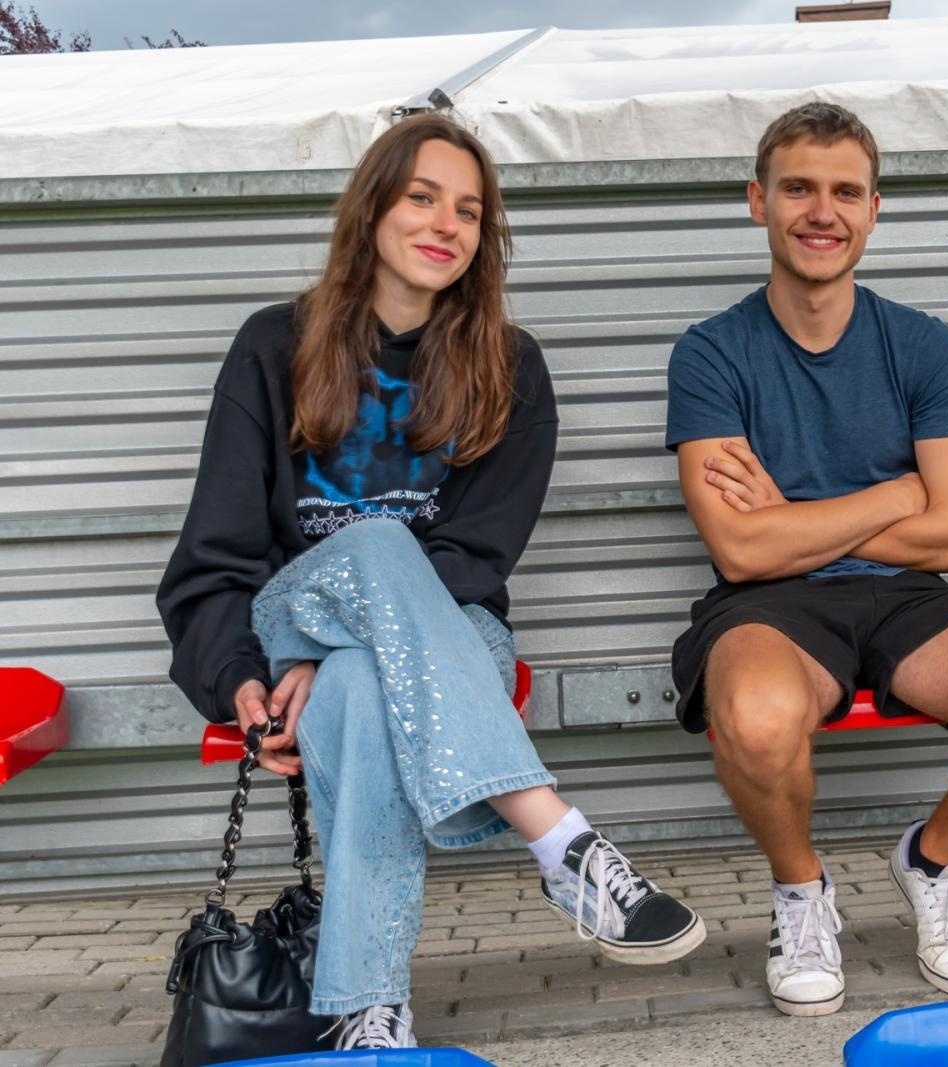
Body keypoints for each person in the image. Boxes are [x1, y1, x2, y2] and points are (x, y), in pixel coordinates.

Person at [156, 115, 703, 1051]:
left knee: (363, 684)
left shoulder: (511, 368)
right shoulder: (272, 347)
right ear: (372, 208)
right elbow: (214, 555)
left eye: (470, 210)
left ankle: (369, 1012)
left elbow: (475, 558)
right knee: (374, 543)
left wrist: (347, 649)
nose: (447, 224)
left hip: (452, 630)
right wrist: (241, 675)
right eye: (422, 197)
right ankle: (558, 839)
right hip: (296, 621)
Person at [665, 101, 948, 1018]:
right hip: (771, 604)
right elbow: (740, 548)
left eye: (845, 192)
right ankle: (801, 892)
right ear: (758, 201)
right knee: (754, 717)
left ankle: (931, 860)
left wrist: (795, 514)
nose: (822, 211)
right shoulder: (710, 353)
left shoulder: (922, 344)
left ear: (874, 209)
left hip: (908, 597)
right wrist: (901, 494)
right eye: (798, 189)